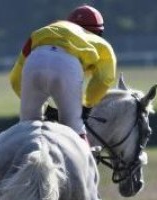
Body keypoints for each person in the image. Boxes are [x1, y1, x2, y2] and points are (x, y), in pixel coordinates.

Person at [9, 5, 117, 148]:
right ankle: (89, 168)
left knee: (26, 128)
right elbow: (104, 79)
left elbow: (15, 79)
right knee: (76, 128)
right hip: (67, 65)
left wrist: (45, 108)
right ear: (98, 32)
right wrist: (86, 106)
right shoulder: (100, 43)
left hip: (34, 60)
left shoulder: (43, 32)